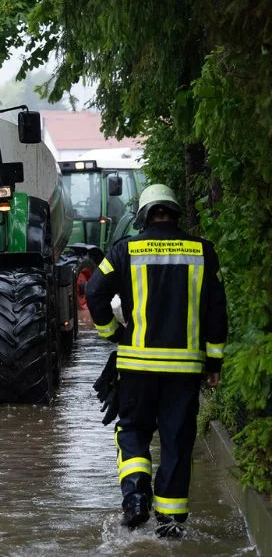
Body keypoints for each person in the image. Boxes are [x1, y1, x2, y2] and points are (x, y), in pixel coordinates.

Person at [85, 183, 228, 539]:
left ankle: (135, 497)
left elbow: (93, 291)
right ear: (175, 213)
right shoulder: (204, 252)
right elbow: (216, 312)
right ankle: (171, 523)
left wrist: (111, 334)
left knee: (133, 431)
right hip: (184, 370)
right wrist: (214, 364)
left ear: (144, 215)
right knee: (177, 440)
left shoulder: (124, 250)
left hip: (137, 366)